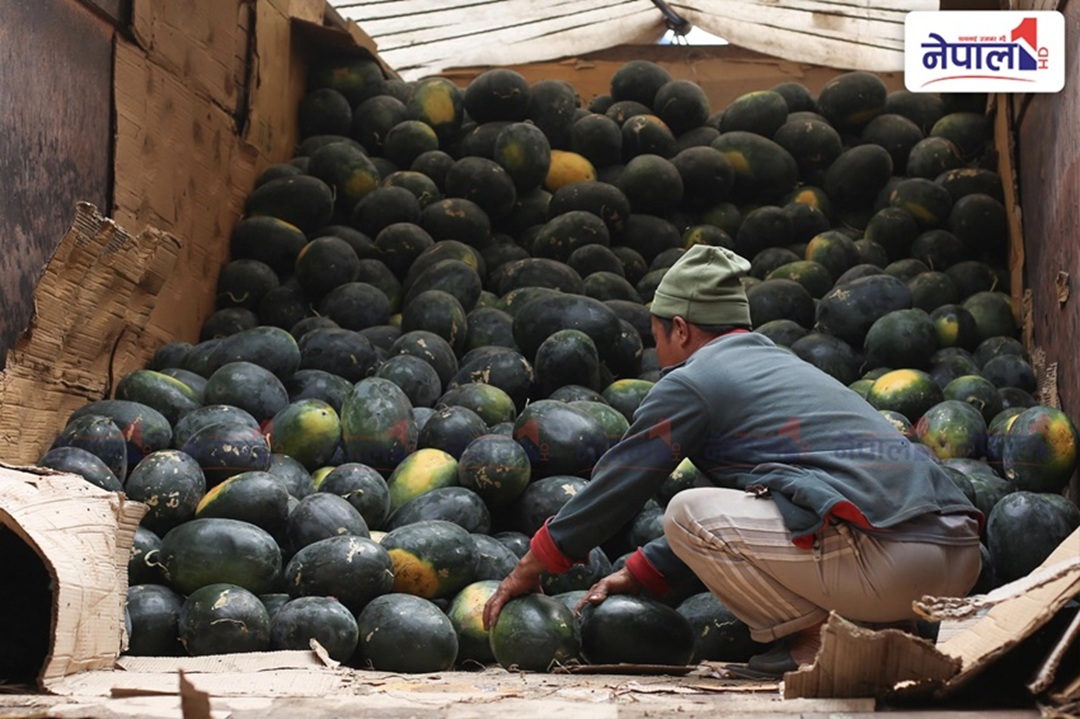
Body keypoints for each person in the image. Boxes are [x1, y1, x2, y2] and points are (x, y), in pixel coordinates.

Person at [483, 244, 983, 677]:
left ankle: (818, 643)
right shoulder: (781, 364)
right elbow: (762, 513)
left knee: (684, 509)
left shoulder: (692, 381)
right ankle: (887, 635)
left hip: (890, 561)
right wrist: (641, 572)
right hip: (957, 559)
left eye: (656, 337)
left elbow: (625, 479)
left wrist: (535, 562)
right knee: (716, 514)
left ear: (680, 329)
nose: (656, 354)